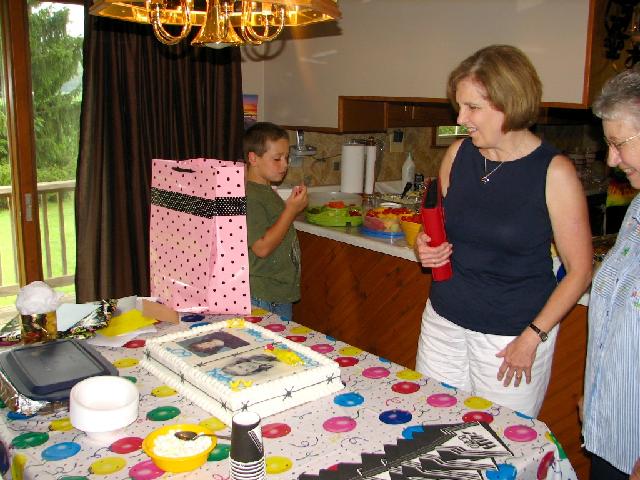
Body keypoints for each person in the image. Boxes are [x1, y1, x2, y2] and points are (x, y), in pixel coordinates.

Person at [414, 45, 593, 417]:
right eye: (459, 106)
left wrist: (533, 336)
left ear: (509, 104)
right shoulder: (458, 154)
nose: (461, 118)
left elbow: (580, 271)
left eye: (472, 107)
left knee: (499, 440)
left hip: (511, 339)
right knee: (432, 425)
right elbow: (439, 229)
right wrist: (425, 245)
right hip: (443, 322)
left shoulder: (553, 172)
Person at [581, 65, 640, 480]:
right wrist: (598, 397)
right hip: (611, 434)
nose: (611, 159)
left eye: (619, 144)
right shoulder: (637, 208)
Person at [244, 122, 308, 322]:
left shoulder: (265, 191)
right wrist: (290, 210)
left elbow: (275, 226)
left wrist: (291, 208)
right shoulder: (251, 196)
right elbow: (261, 248)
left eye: (286, 158)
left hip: (275, 293)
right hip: (264, 295)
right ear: (253, 158)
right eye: (277, 158)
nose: (285, 165)